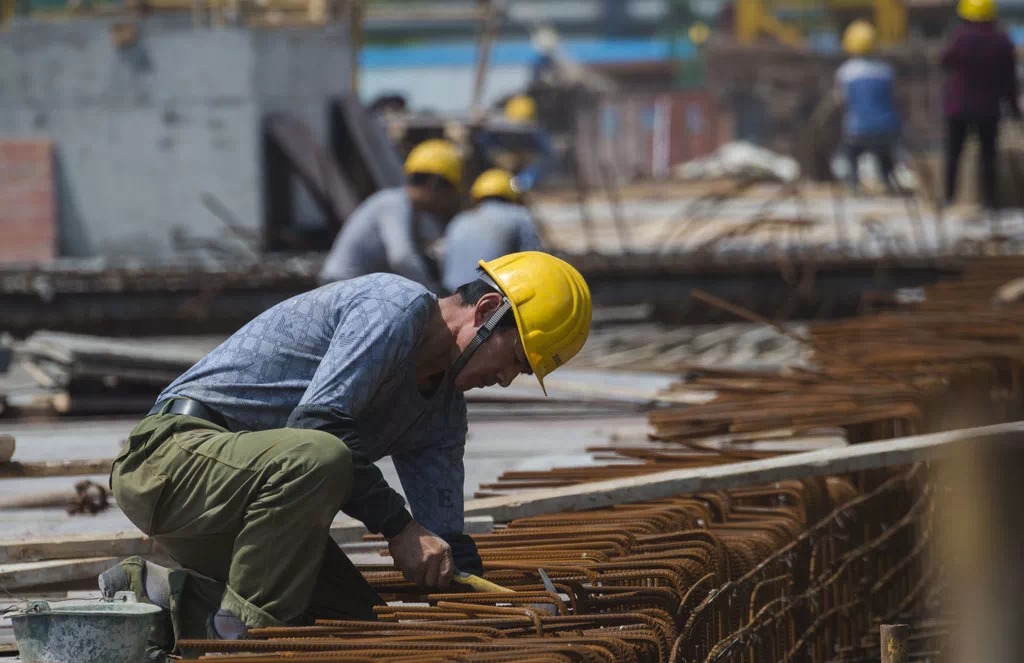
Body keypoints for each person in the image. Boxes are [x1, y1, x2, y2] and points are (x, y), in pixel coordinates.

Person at [102, 252, 591, 657]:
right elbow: (317, 423)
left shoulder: (442, 414)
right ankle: (238, 642)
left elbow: (444, 540)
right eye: (514, 360)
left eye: (521, 374)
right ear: (486, 312)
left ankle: (159, 596)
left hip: (240, 506)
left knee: (355, 622)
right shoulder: (393, 307)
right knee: (321, 454)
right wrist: (399, 527)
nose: (505, 379)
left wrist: (496, 609)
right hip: (172, 460)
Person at [319, 139, 464, 292]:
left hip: (353, 287)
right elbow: (402, 258)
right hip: (342, 287)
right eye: (449, 192)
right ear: (434, 184)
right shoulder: (394, 204)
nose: (447, 201)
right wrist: (432, 295)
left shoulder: (410, 211)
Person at [941, 0, 1020, 210]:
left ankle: (949, 198)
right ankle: (990, 202)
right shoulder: (1002, 40)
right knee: (988, 156)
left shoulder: (960, 37)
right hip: (988, 108)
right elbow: (1009, 80)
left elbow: (945, 61)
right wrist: (1014, 110)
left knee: (954, 154)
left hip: (958, 107)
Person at [443, 169, 544, 292]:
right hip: (493, 296)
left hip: (452, 293)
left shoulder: (459, 220)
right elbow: (534, 260)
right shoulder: (519, 215)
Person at [834, 20, 902, 194]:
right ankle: (887, 181)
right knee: (884, 153)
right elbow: (894, 98)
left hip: (858, 130)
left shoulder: (846, 72)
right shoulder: (886, 71)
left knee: (851, 152)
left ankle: (853, 184)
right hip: (886, 129)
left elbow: (841, 101)